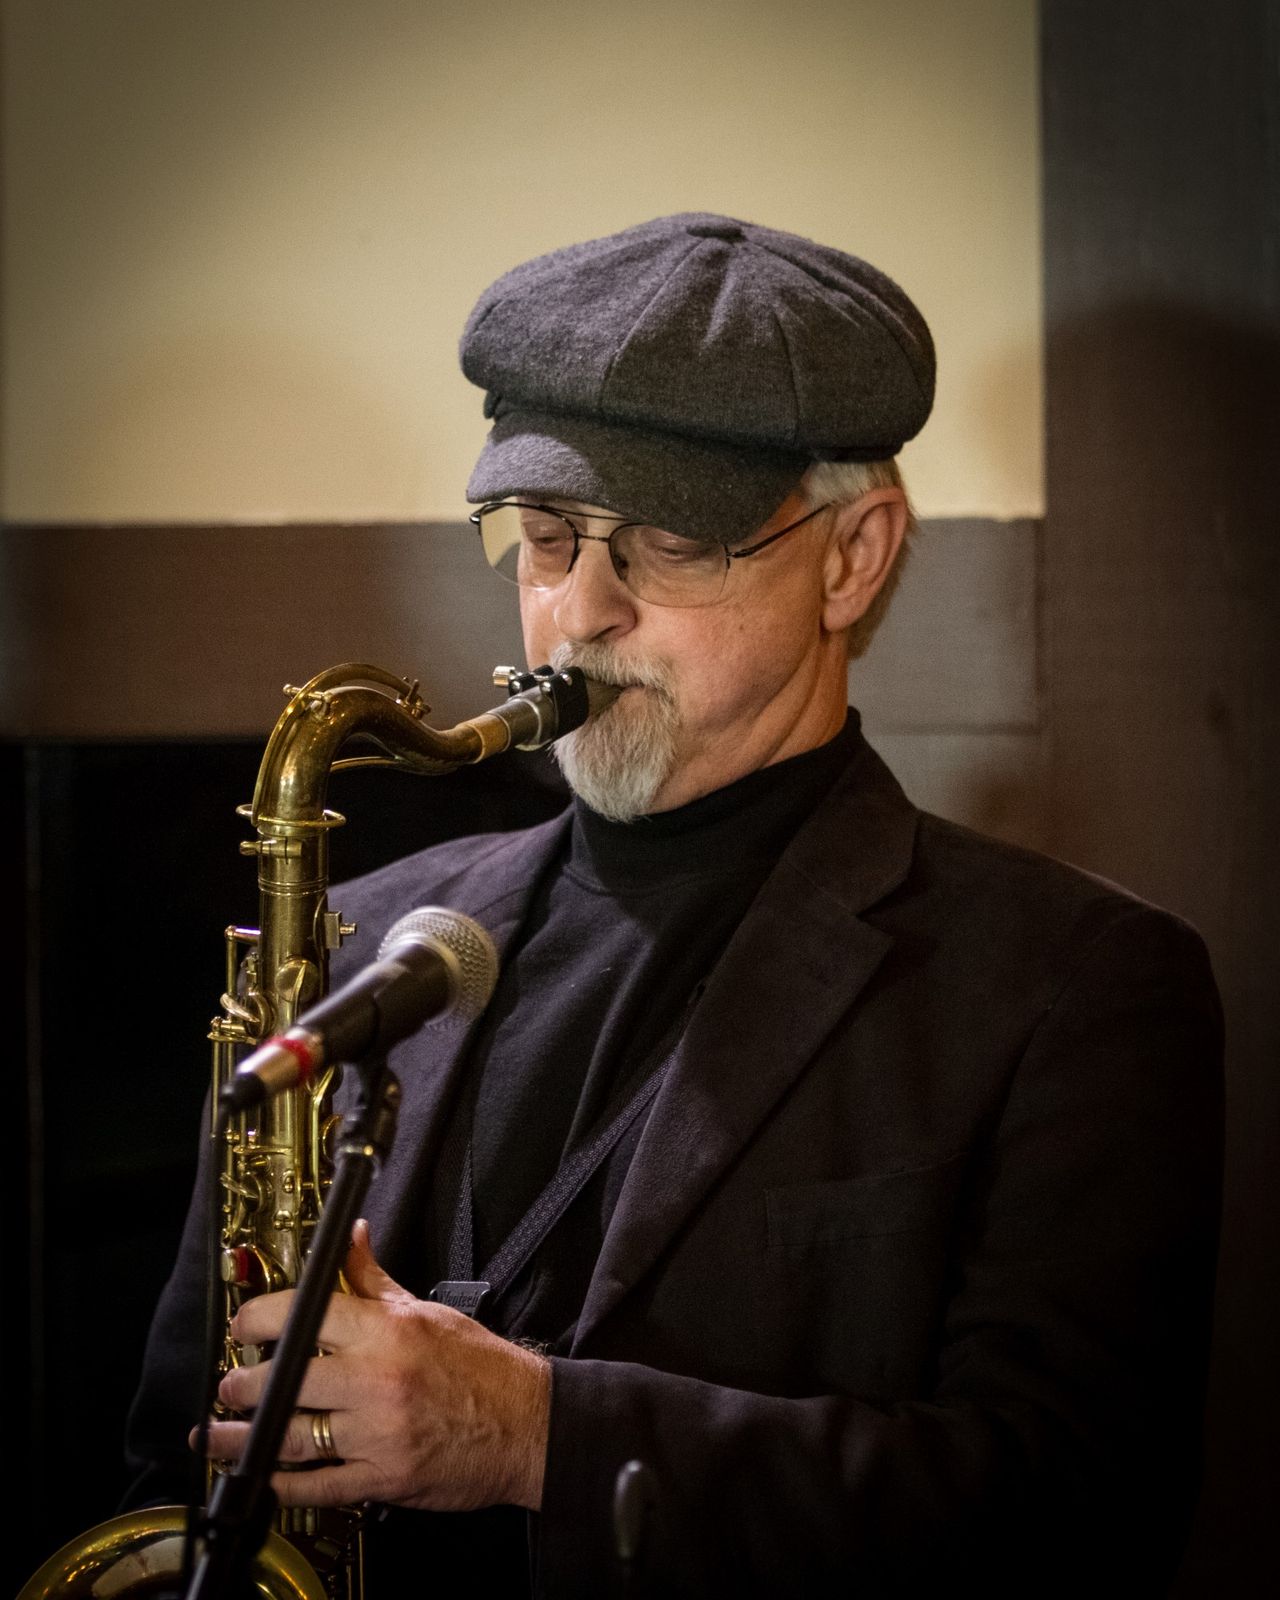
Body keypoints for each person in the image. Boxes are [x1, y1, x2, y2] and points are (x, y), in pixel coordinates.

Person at [126, 214, 1223, 1597]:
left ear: (853, 555)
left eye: (667, 542)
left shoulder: (1078, 985)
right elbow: (177, 1464)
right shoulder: (359, 938)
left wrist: (538, 1436)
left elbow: (1079, 1518)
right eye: (546, 538)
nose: (579, 613)